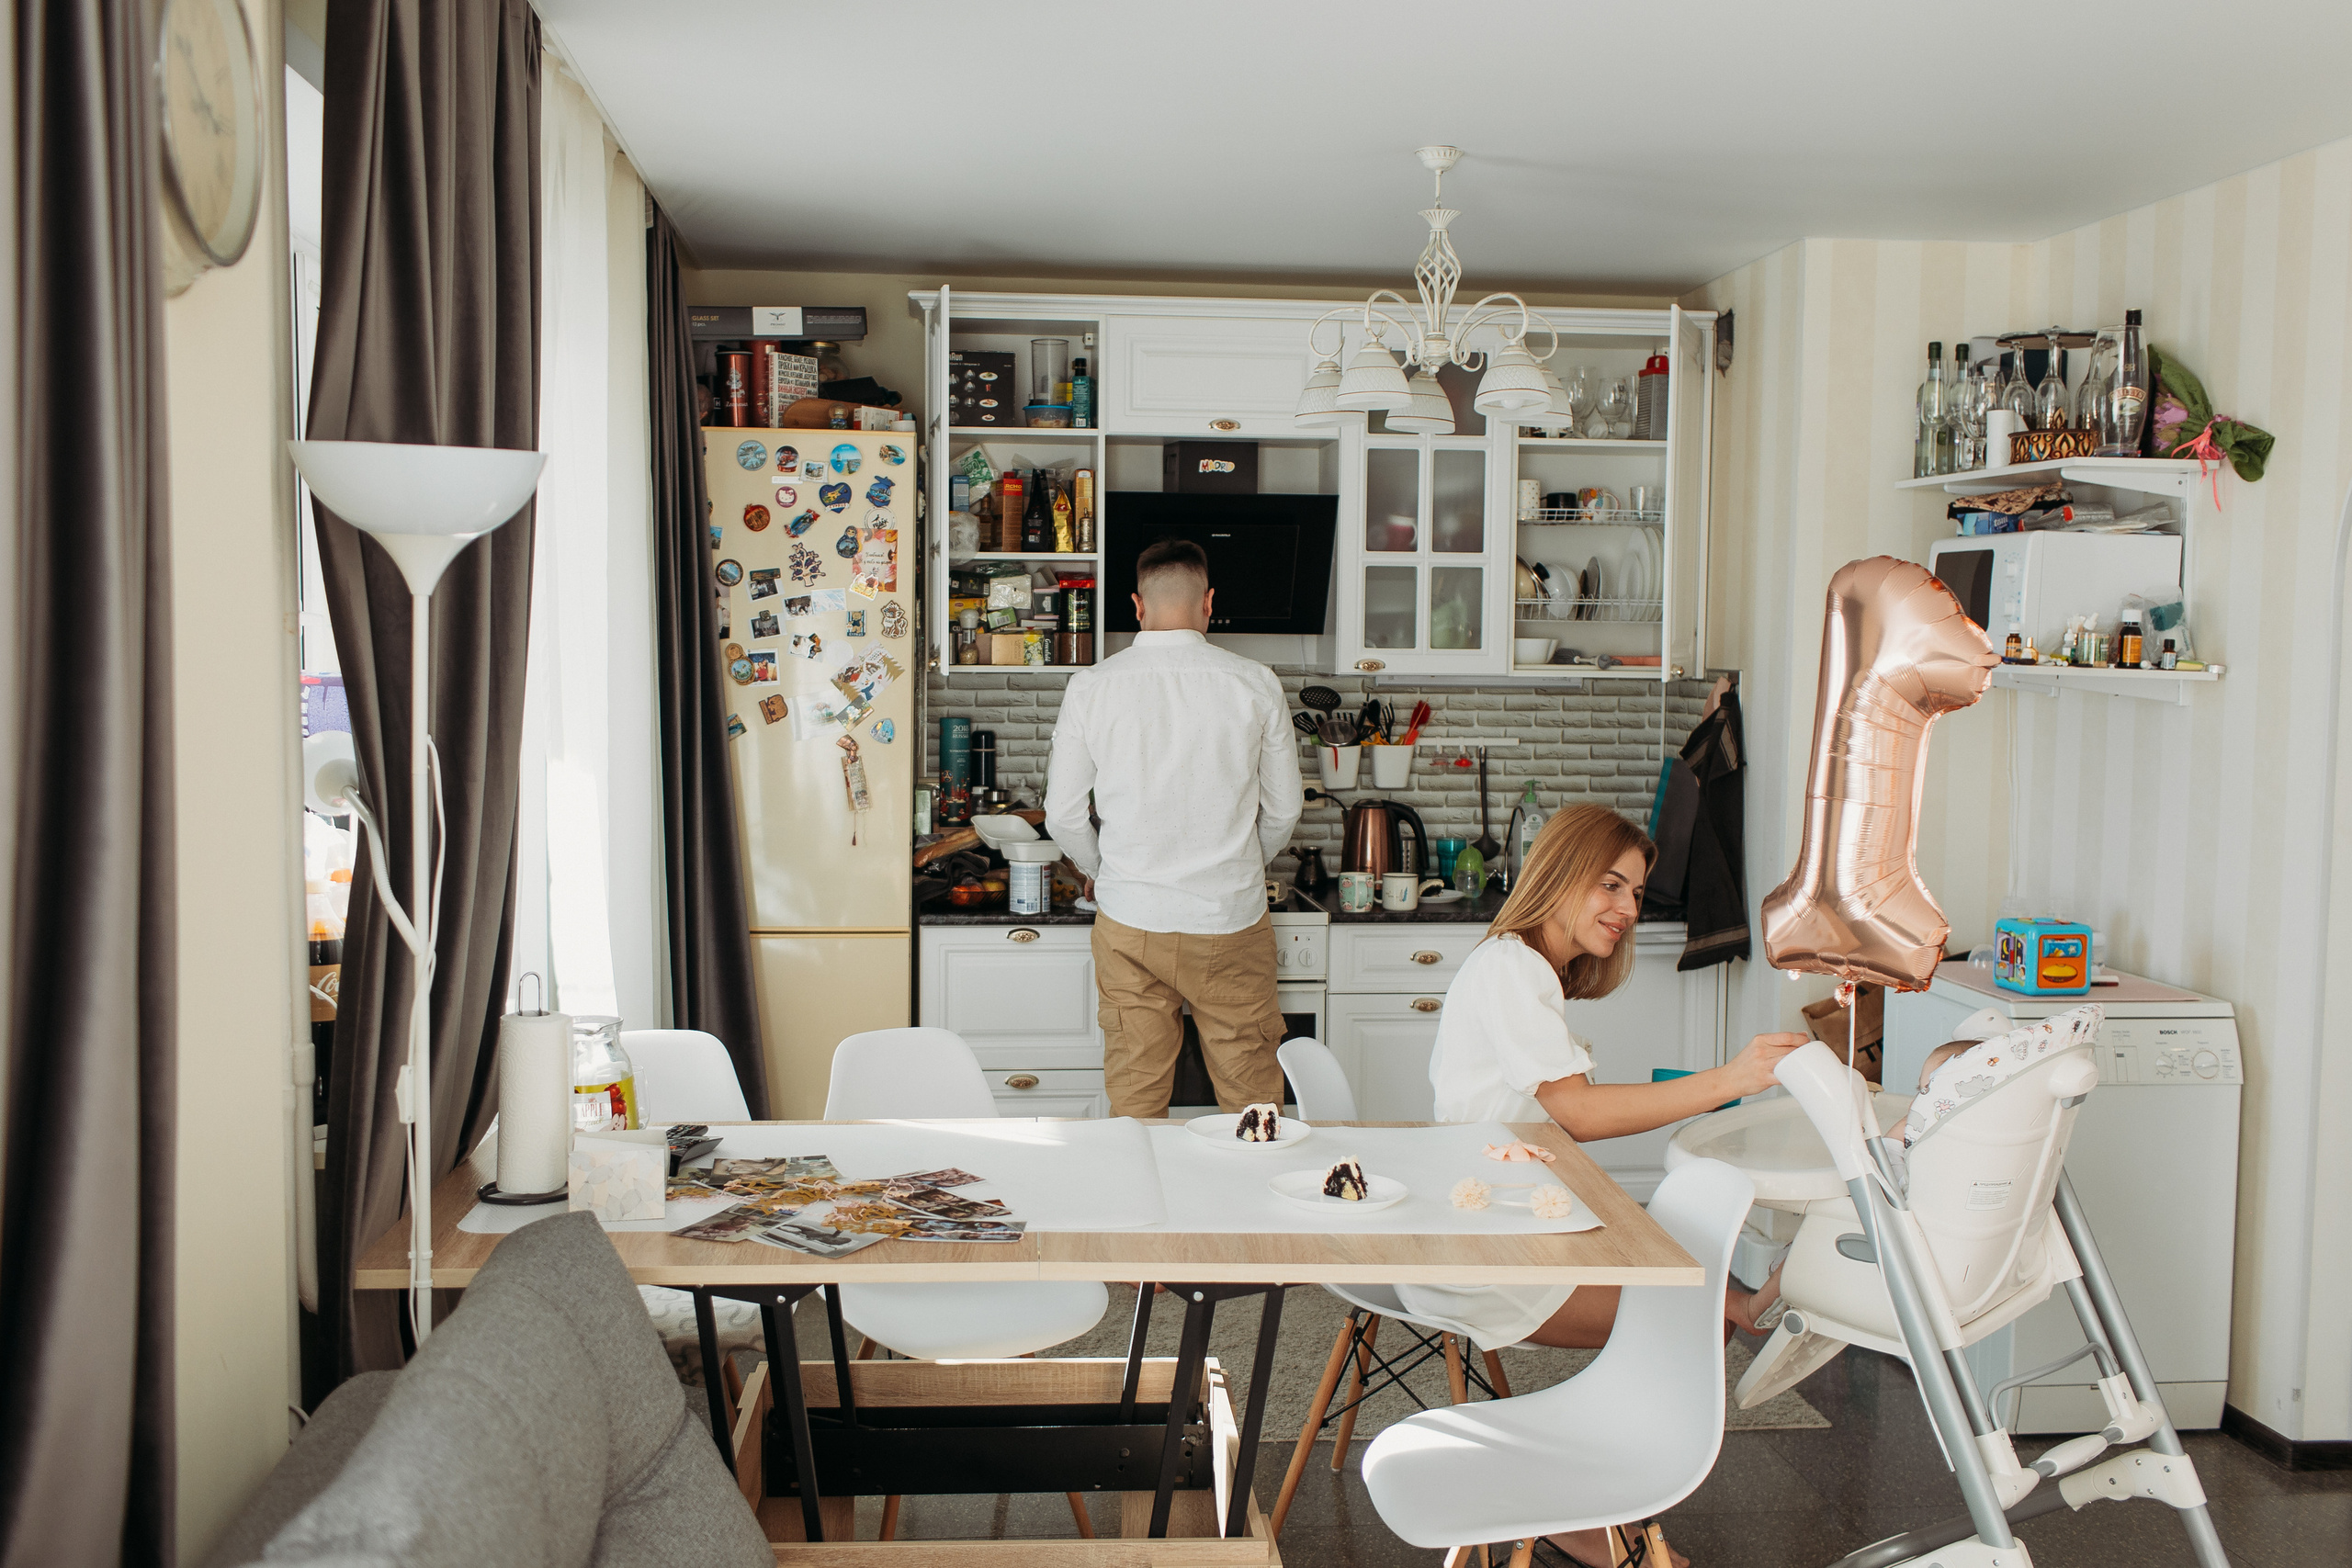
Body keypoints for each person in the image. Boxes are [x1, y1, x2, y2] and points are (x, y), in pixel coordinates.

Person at [1402, 802, 1809, 1568]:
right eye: (1611, 885)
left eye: (1635, 892)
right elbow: (1579, 1113)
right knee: (1688, 1322)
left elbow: (1560, 1113)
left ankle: (1740, 1313)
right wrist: (1730, 1078)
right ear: (1558, 874)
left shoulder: (1526, 968)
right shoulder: (1512, 968)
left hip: (1502, 1221)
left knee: (1691, 1289)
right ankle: (1582, 1503)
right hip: (1488, 1254)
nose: (1627, 908)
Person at [1045, 538, 1303, 1118]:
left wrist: (1101, 870)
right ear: (1209, 602)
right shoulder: (1255, 683)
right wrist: (1239, 865)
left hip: (1130, 921)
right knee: (1252, 1102)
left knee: (1136, 1099)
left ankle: (1142, 1207)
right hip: (1229, 922)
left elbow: (1062, 813)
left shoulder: (1092, 686)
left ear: (1138, 606)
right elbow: (1284, 810)